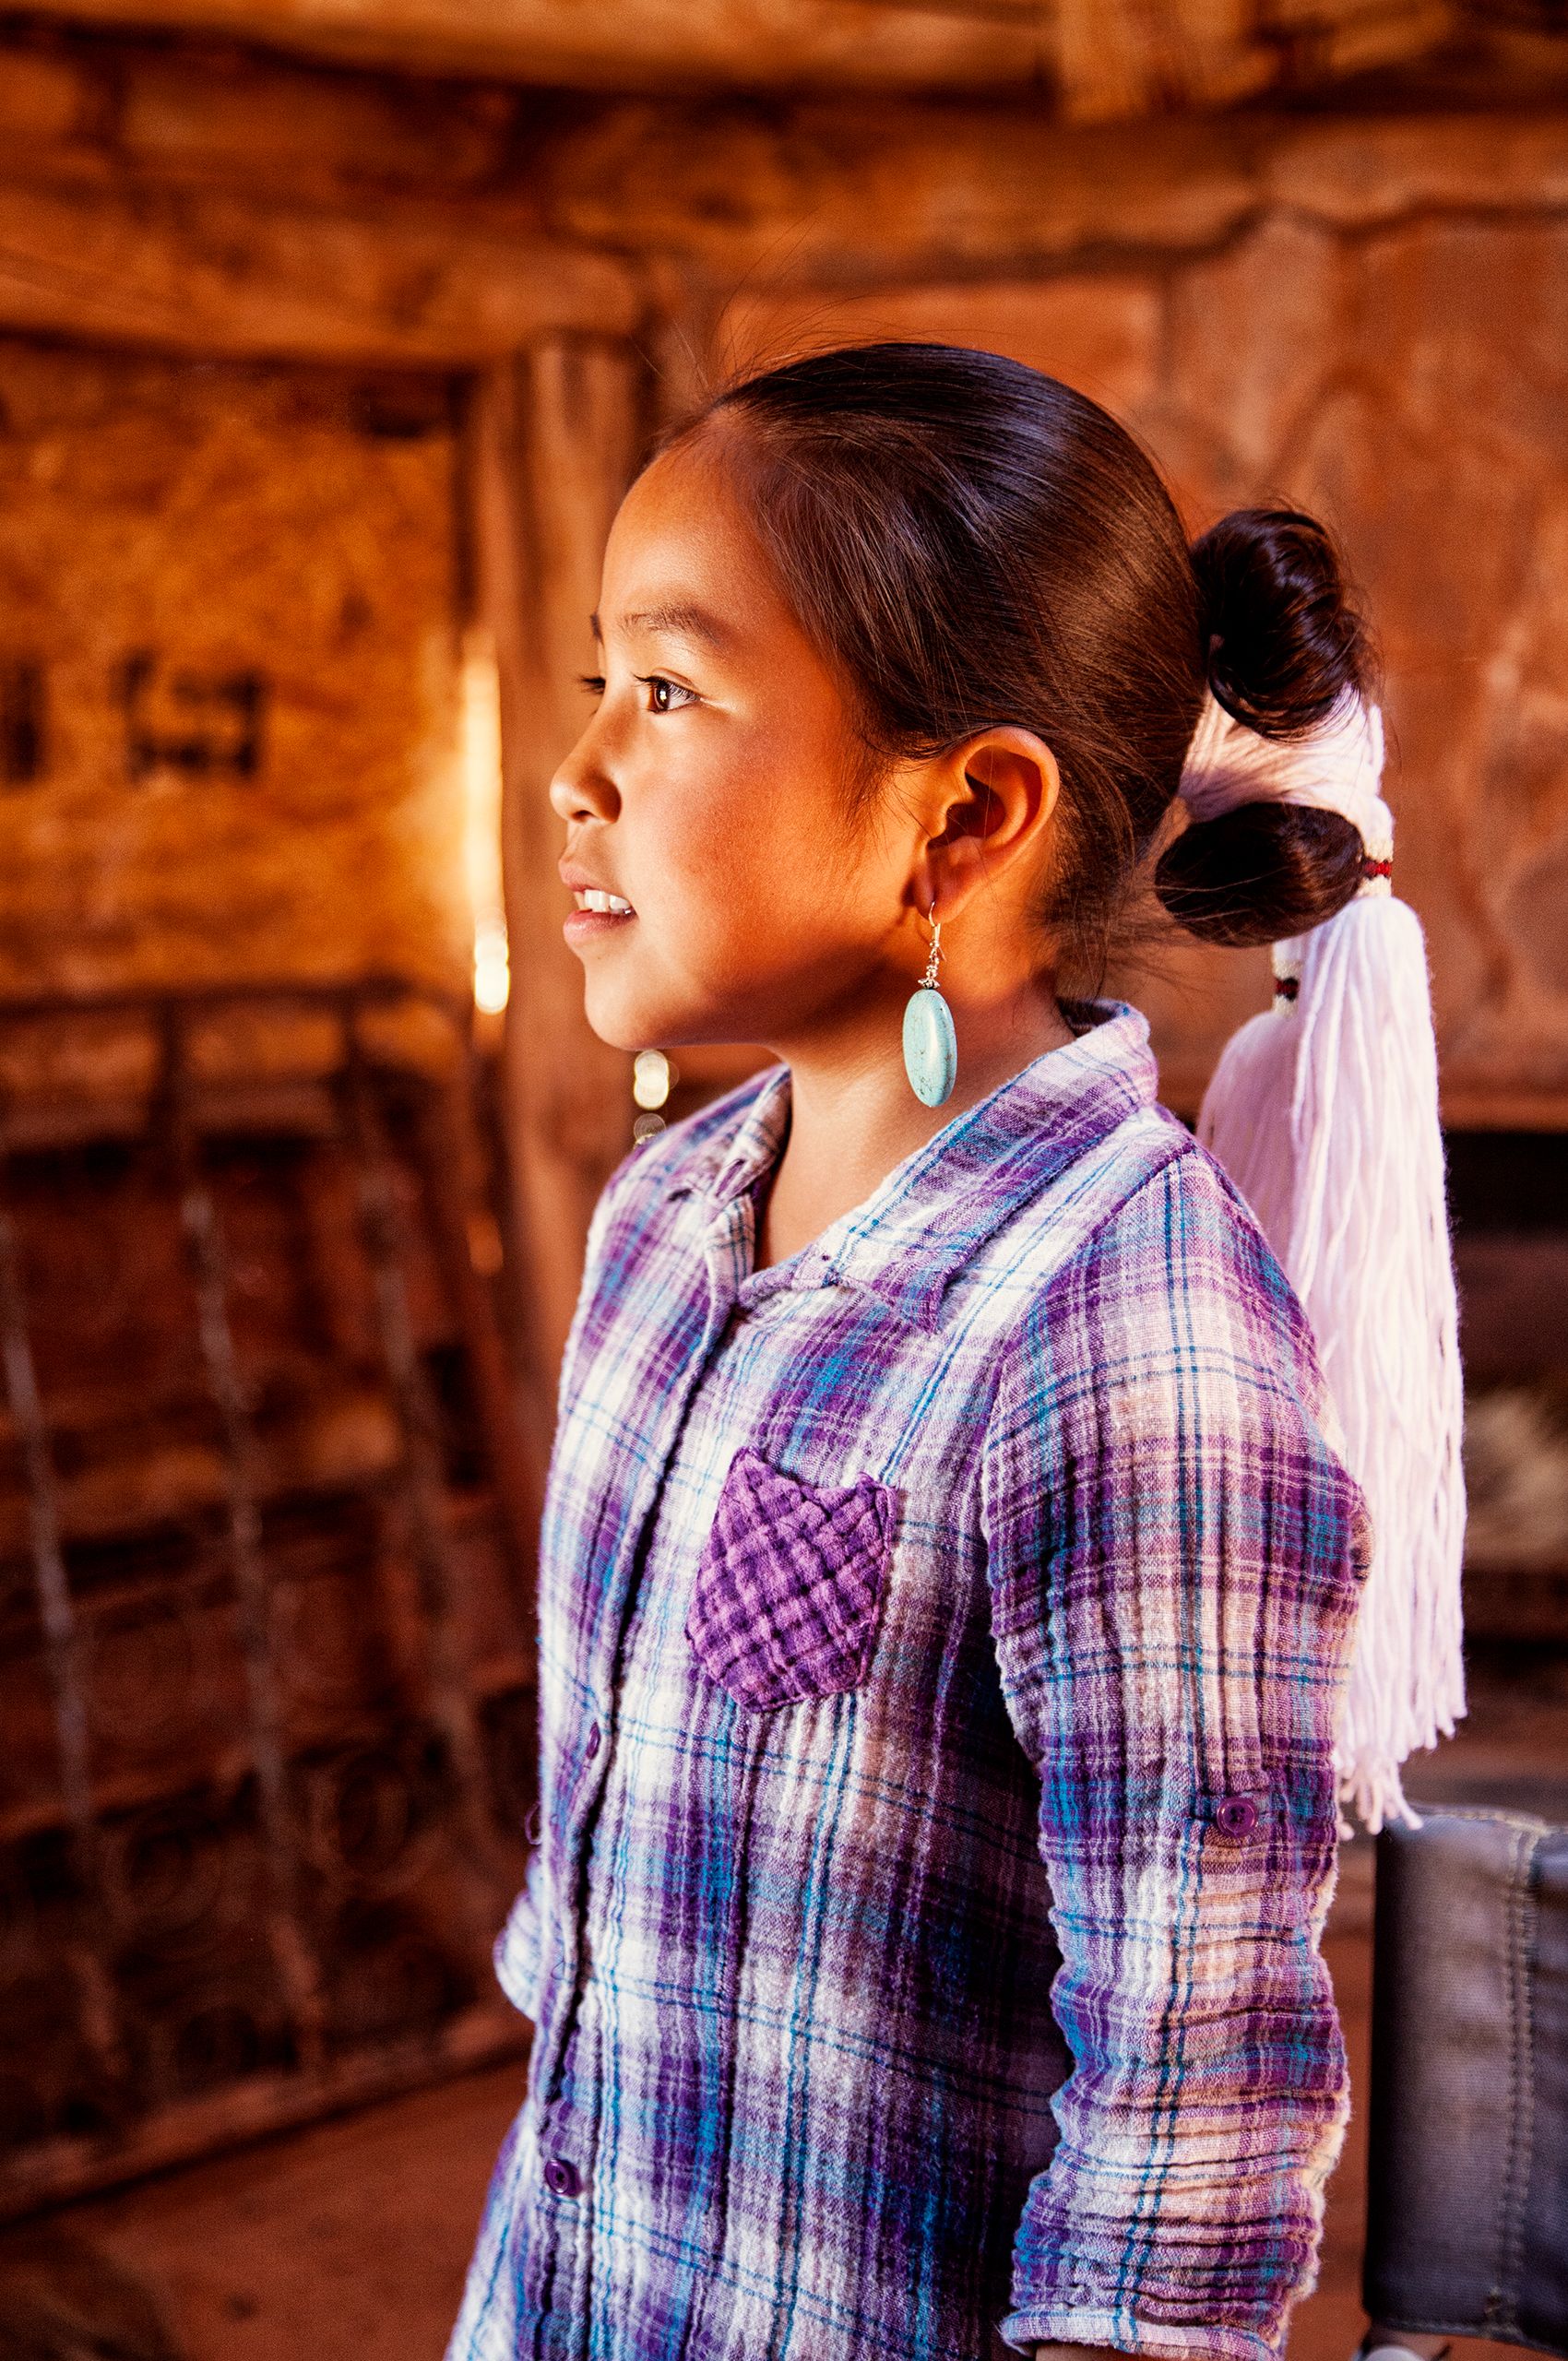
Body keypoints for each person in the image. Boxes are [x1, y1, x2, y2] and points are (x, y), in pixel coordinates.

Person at [446, 343, 1415, 2361]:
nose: (579, 767)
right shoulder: (654, 1227)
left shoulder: (1122, 1332)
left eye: (673, 686)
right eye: (592, 682)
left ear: (963, 812)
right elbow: (599, 1972)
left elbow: (1190, 2122)